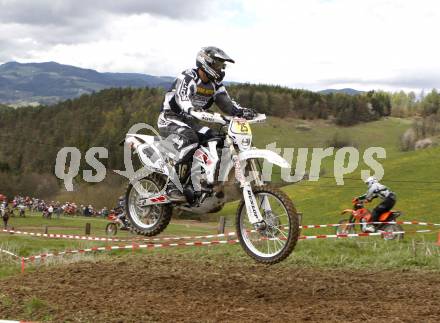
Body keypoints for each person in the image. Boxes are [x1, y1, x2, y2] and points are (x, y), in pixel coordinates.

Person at [157, 46, 257, 200]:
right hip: (170, 118)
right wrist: (191, 109)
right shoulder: (188, 77)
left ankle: (202, 180)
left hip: (190, 121)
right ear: (206, 63)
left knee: (217, 138)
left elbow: (227, 104)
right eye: (217, 65)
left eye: (222, 66)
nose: (220, 69)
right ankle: (172, 185)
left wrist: (242, 111)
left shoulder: (215, 85)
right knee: (189, 138)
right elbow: (182, 99)